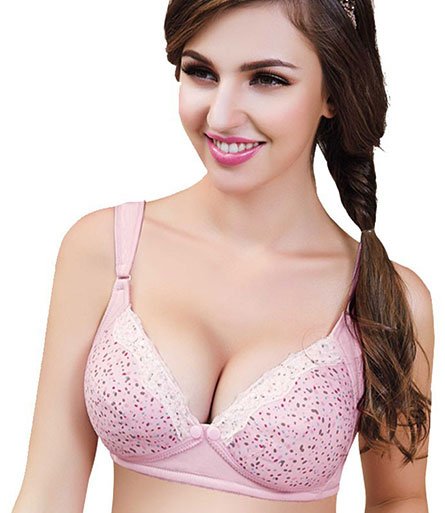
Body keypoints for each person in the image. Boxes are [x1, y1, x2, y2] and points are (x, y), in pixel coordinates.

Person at [12, 1, 434, 512]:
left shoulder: (385, 298)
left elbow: (398, 499)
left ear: (333, 93)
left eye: (267, 79)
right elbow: (48, 491)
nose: (220, 115)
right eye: (202, 73)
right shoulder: (106, 248)